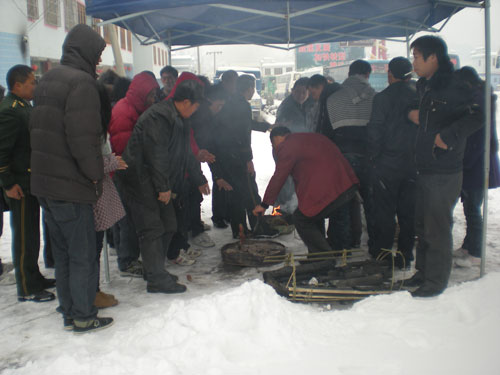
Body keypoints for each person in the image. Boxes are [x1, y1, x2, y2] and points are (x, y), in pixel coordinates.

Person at [30, 24, 113, 332]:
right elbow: (84, 139)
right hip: (71, 186)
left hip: (45, 185)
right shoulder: (82, 84)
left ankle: (68, 309)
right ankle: (83, 314)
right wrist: (95, 175)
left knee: (63, 254)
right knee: (82, 256)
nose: (100, 59)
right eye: (99, 53)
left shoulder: (48, 78)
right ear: (87, 51)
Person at [116, 78, 209, 294]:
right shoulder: (158, 117)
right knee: (153, 229)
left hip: (157, 180)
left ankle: (154, 270)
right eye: (195, 106)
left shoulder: (180, 118)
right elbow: (156, 155)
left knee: (169, 225)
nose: (196, 111)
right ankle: (156, 278)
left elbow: (186, 153)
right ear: (186, 102)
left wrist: (199, 178)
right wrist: (163, 187)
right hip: (139, 180)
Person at [406, 36, 483, 297]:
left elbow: (480, 114)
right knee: (421, 224)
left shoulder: (456, 84)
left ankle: (436, 282)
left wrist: (448, 136)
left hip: (444, 170)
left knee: (436, 226)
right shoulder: (425, 86)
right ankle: (423, 272)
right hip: (424, 166)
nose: (413, 62)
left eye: (417, 56)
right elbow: (431, 116)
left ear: (433, 57)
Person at [253, 127, 358, 253]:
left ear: (276, 139)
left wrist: (264, 204)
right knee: (323, 216)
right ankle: (340, 253)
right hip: (346, 185)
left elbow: (279, 176)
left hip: (329, 189)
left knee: (301, 219)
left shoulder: (287, 146)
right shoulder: (313, 137)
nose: (275, 149)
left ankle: (322, 256)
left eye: (273, 145)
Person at [0, 65, 55, 302]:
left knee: (32, 234)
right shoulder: (9, 111)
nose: (35, 86)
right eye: (32, 82)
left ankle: (33, 275)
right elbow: (2, 152)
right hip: (19, 184)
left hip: (31, 181)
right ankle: (27, 286)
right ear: (18, 85)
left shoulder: (23, 106)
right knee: (24, 236)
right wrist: (8, 183)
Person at [366, 57, 418, 269]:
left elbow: (375, 131)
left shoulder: (382, 98)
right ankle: (406, 256)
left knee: (385, 212)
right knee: (408, 213)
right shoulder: (418, 96)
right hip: (413, 164)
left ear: (390, 74)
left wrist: (373, 158)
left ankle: (384, 256)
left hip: (387, 163)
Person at [109, 71, 159, 277]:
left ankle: (128, 256)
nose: (154, 99)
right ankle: (127, 261)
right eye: (151, 95)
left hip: (132, 171)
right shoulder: (123, 111)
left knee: (130, 218)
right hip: (123, 173)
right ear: (141, 93)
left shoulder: (138, 109)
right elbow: (123, 150)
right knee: (127, 218)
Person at [213, 74, 272, 238]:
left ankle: (239, 230)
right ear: (251, 88)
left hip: (226, 156)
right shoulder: (242, 105)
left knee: (236, 195)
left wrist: (266, 126)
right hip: (237, 157)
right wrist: (248, 159)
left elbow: (246, 124)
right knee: (250, 192)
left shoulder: (230, 103)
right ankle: (257, 227)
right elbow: (242, 135)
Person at [326, 60, 376, 251]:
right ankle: (376, 245)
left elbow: (327, 131)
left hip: (342, 156)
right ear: (368, 75)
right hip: (368, 156)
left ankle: (342, 246)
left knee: (343, 204)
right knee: (371, 204)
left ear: (349, 73)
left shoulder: (333, 98)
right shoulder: (376, 98)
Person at [453, 66, 500, 268]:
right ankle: (468, 245)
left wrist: (466, 163)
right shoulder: (482, 97)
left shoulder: (478, 102)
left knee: (472, 208)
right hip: (478, 161)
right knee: (470, 206)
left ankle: (476, 253)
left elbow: (478, 139)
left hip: (477, 163)